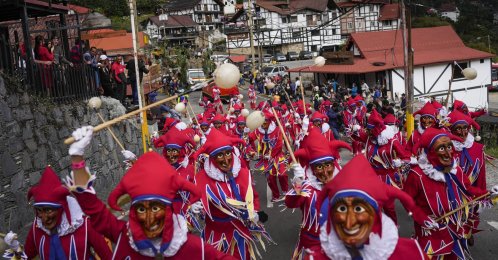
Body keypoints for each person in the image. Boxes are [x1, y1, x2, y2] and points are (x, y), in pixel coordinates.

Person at [65, 126, 235, 259]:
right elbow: (94, 210)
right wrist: (77, 156)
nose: (149, 219)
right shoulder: (125, 236)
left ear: (167, 209)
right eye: (141, 209)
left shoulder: (191, 246)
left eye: (155, 208)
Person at [306, 155, 435, 260]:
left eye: (358, 209)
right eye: (342, 209)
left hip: (386, 177)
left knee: (390, 208)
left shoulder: (411, 255)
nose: (349, 222)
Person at [403, 128, 498, 259]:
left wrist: (488, 194)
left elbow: (469, 190)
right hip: (431, 233)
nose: (449, 153)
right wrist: (421, 218)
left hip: (455, 230)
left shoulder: (456, 169)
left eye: (449, 146)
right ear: (430, 152)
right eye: (442, 148)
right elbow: (407, 201)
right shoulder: (417, 175)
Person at [193, 128, 272, 259]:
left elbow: (253, 197)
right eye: (219, 155)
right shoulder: (201, 178)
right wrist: (194, 209)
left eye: (228, 153)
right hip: (215, 235)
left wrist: (255, 213)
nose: (225, 159)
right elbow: (193, 204)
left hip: (240, 233)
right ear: (212, 158)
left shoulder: (243, 173)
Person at [2, 166, 113, 259]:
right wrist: (16, 248)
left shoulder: (84, 226)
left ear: (62, 207)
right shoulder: (37, 229)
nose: (44, 218)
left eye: (48, 210)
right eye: (39, 211)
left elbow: (108, 256)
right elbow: (26, 257)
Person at [286, 127, 351, 259]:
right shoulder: (306, 187)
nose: (325, 172)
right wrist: (298, 182)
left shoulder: (344, 186)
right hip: (310, 244)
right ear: (312, 169)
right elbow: (290, 203)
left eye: (328, 165)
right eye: (319, 167)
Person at [447, 110, 487, 243]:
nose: (463, 132)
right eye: (458, 128)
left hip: (471, 191)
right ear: (451, 130)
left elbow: (481, 174)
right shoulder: (445, 147)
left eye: (465, 128)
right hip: (451, 191)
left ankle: (468, 231)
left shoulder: (477, 148)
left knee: (470, 213)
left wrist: (482, 193)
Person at [248, 111, 289, 202]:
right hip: (265, 159)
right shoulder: (258, 131)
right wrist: (252, 149)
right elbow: (249, 139)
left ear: (270, 121)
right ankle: (276, 195)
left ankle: (285, 191)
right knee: (270, 178)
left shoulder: (278, 130)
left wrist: (271, 155)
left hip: (278, 155)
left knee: (282, 174)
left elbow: (279, 144)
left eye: (265, 121)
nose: (263, 123)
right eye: (262, 121)